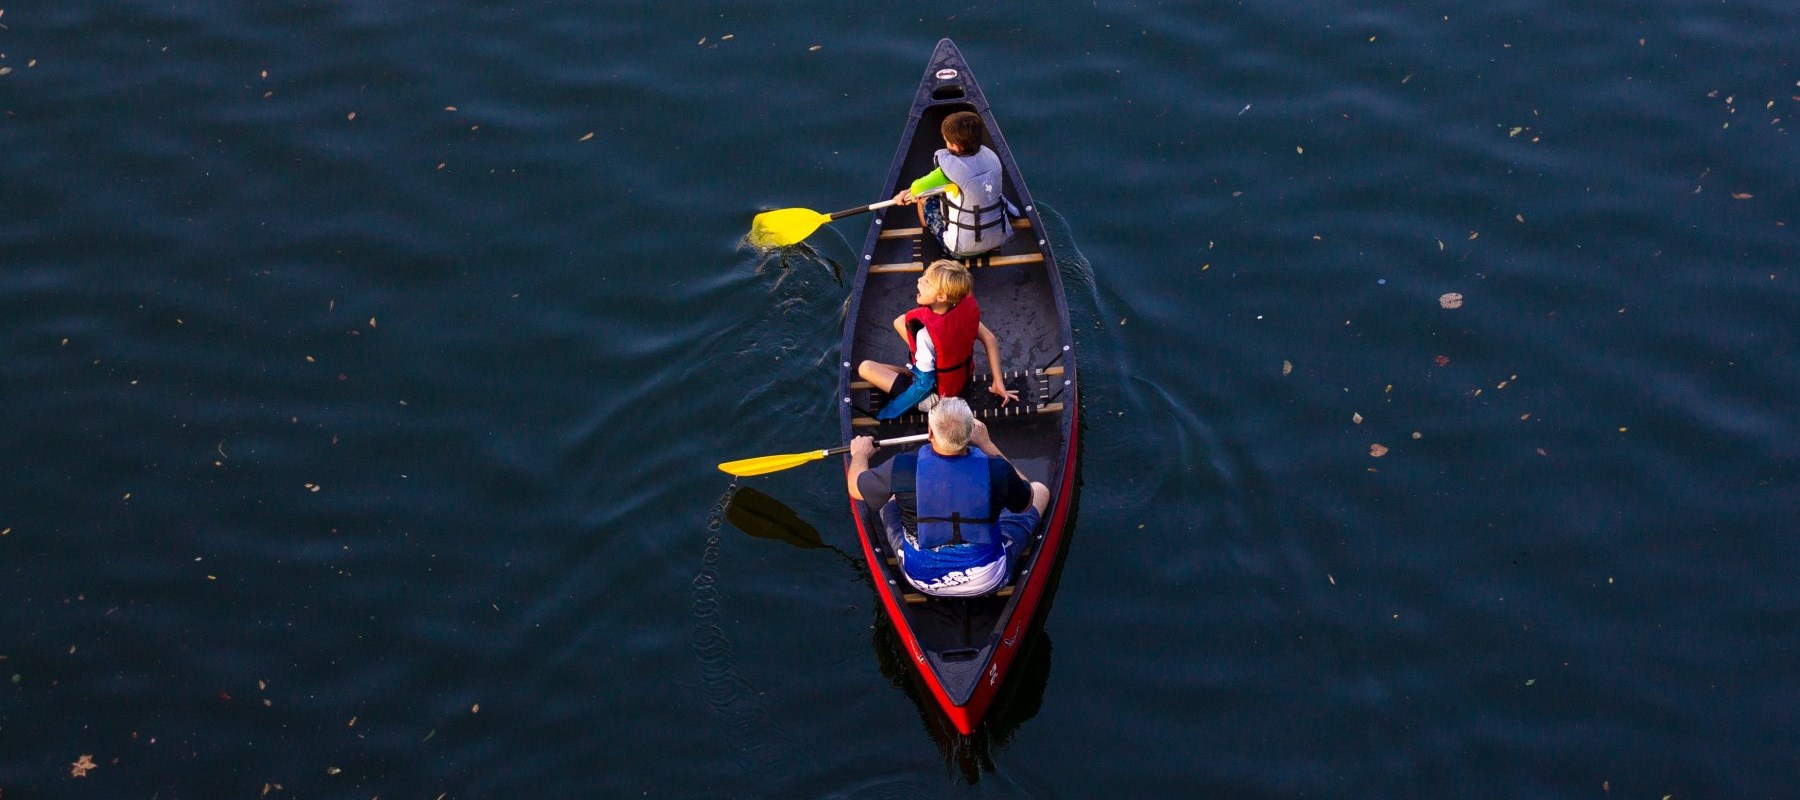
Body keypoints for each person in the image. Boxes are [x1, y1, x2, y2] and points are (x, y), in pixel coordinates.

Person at [846, 397, 1051, 598]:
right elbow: (1027, 501)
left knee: (887, 495)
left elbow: (855, 488)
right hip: (988, 580)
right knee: (1040, 490)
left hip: (923, 581)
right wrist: (987, 444)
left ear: (930, 433)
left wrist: (860, 454)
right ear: (970, 433)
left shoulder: (901, 469)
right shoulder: (997, 470)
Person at [857, 259, 1017, 420]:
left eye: (926, 281)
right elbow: (989, 338)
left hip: (938, 397)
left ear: (941, 296)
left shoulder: (924, 334)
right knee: (900, 322)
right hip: (962, 377)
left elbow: (923, 386)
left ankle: (910, 373)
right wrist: (998, 381)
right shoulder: (960, 304)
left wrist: (889, 411)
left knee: (865, 368)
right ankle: (911, 370)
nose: (919, 280)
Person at [892, 111, 1015, 258]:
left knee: (925, 200)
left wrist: (902, 195)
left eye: (946, 141)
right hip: (996, 240)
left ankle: (931, 236)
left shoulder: (946, 172)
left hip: (960, 250)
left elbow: (917, 189)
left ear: (955, 146)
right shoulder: (992, 157)